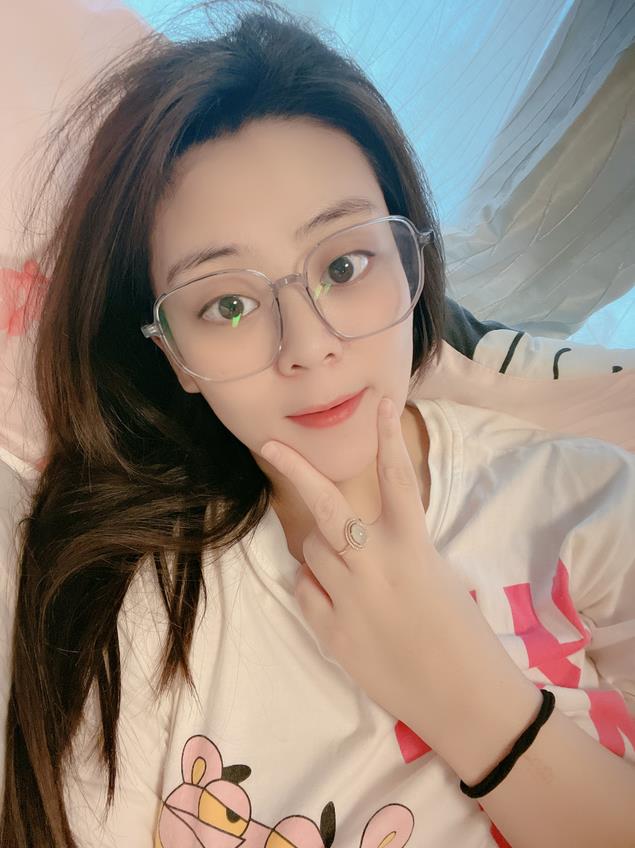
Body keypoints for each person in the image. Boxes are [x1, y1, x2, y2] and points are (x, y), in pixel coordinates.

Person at [1, 2, 634, 846]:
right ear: (173, 354)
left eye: (343, 263)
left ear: (410, 258)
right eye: (227, 304)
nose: (308, 346)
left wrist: (468, 694)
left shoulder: (589, 502)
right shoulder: (135, 610)